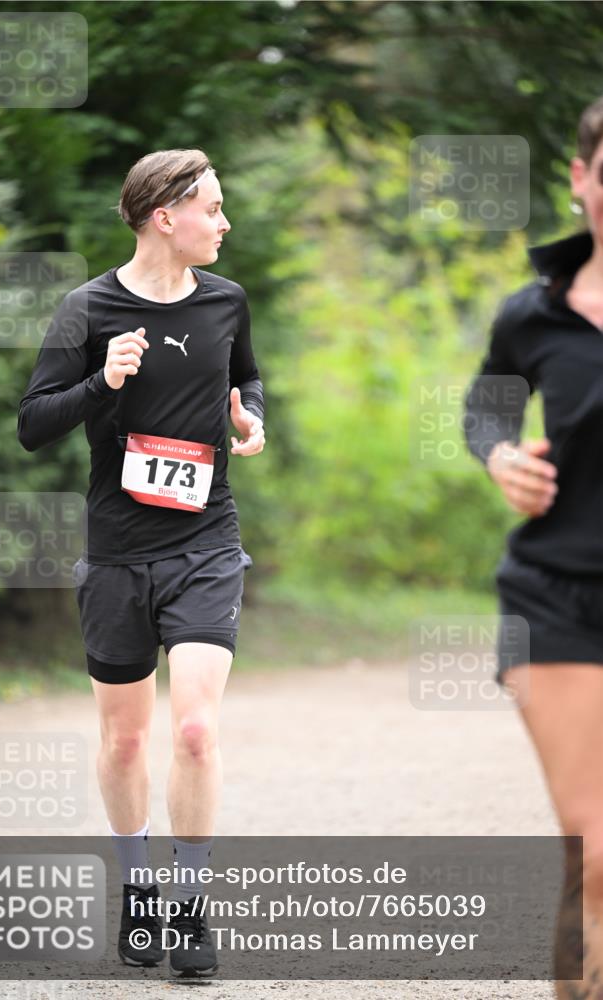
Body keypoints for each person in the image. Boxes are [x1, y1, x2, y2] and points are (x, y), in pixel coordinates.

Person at [17, 150, 265, 978]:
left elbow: (247, 378)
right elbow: (33, 423)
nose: (224, 223)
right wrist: (102, 382)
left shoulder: (226, 301)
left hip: (205, 544)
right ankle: (137, 891)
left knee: (194, 728)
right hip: (118, 553)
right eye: (212, 209)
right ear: (165, 216)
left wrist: (250, 419)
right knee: (124, 743)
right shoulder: (86, 309)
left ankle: (189, 910)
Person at [464, 97, 603, 992]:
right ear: (581, 178)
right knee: (595, 844)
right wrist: (501, 457)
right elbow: (485, 406)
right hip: (556, 595)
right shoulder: (534, 314)